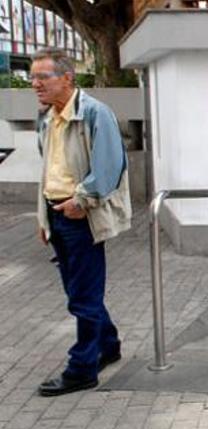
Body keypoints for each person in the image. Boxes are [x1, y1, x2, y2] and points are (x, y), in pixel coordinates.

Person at [30, 48, 132, 397]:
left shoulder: (94, 113)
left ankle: (83, 368)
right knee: (77, 292)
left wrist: (81, 201)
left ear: (67, 78)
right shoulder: (45, 118)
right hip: (56, 214)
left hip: (80, 215)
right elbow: (48, 170)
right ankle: (110, 344)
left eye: (42, 77)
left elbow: (110, 167)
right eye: (32, 77)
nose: (35, 84)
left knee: (84, 296)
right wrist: (44, 217)